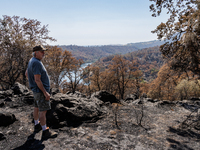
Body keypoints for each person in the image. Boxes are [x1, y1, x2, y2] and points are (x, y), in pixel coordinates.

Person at [25, 45, 57, 140]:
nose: (43, 53)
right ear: (36, 52)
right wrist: (45, 92)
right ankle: (45, 131)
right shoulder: (37, 63)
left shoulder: (31, 61)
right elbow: (38, 80)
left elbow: (27, 73)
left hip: (35, 90)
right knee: (43, 111)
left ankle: (37, 125)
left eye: (44, 51)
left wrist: (32, 83)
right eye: (41, 51)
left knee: (36, 107)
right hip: (40, 91)